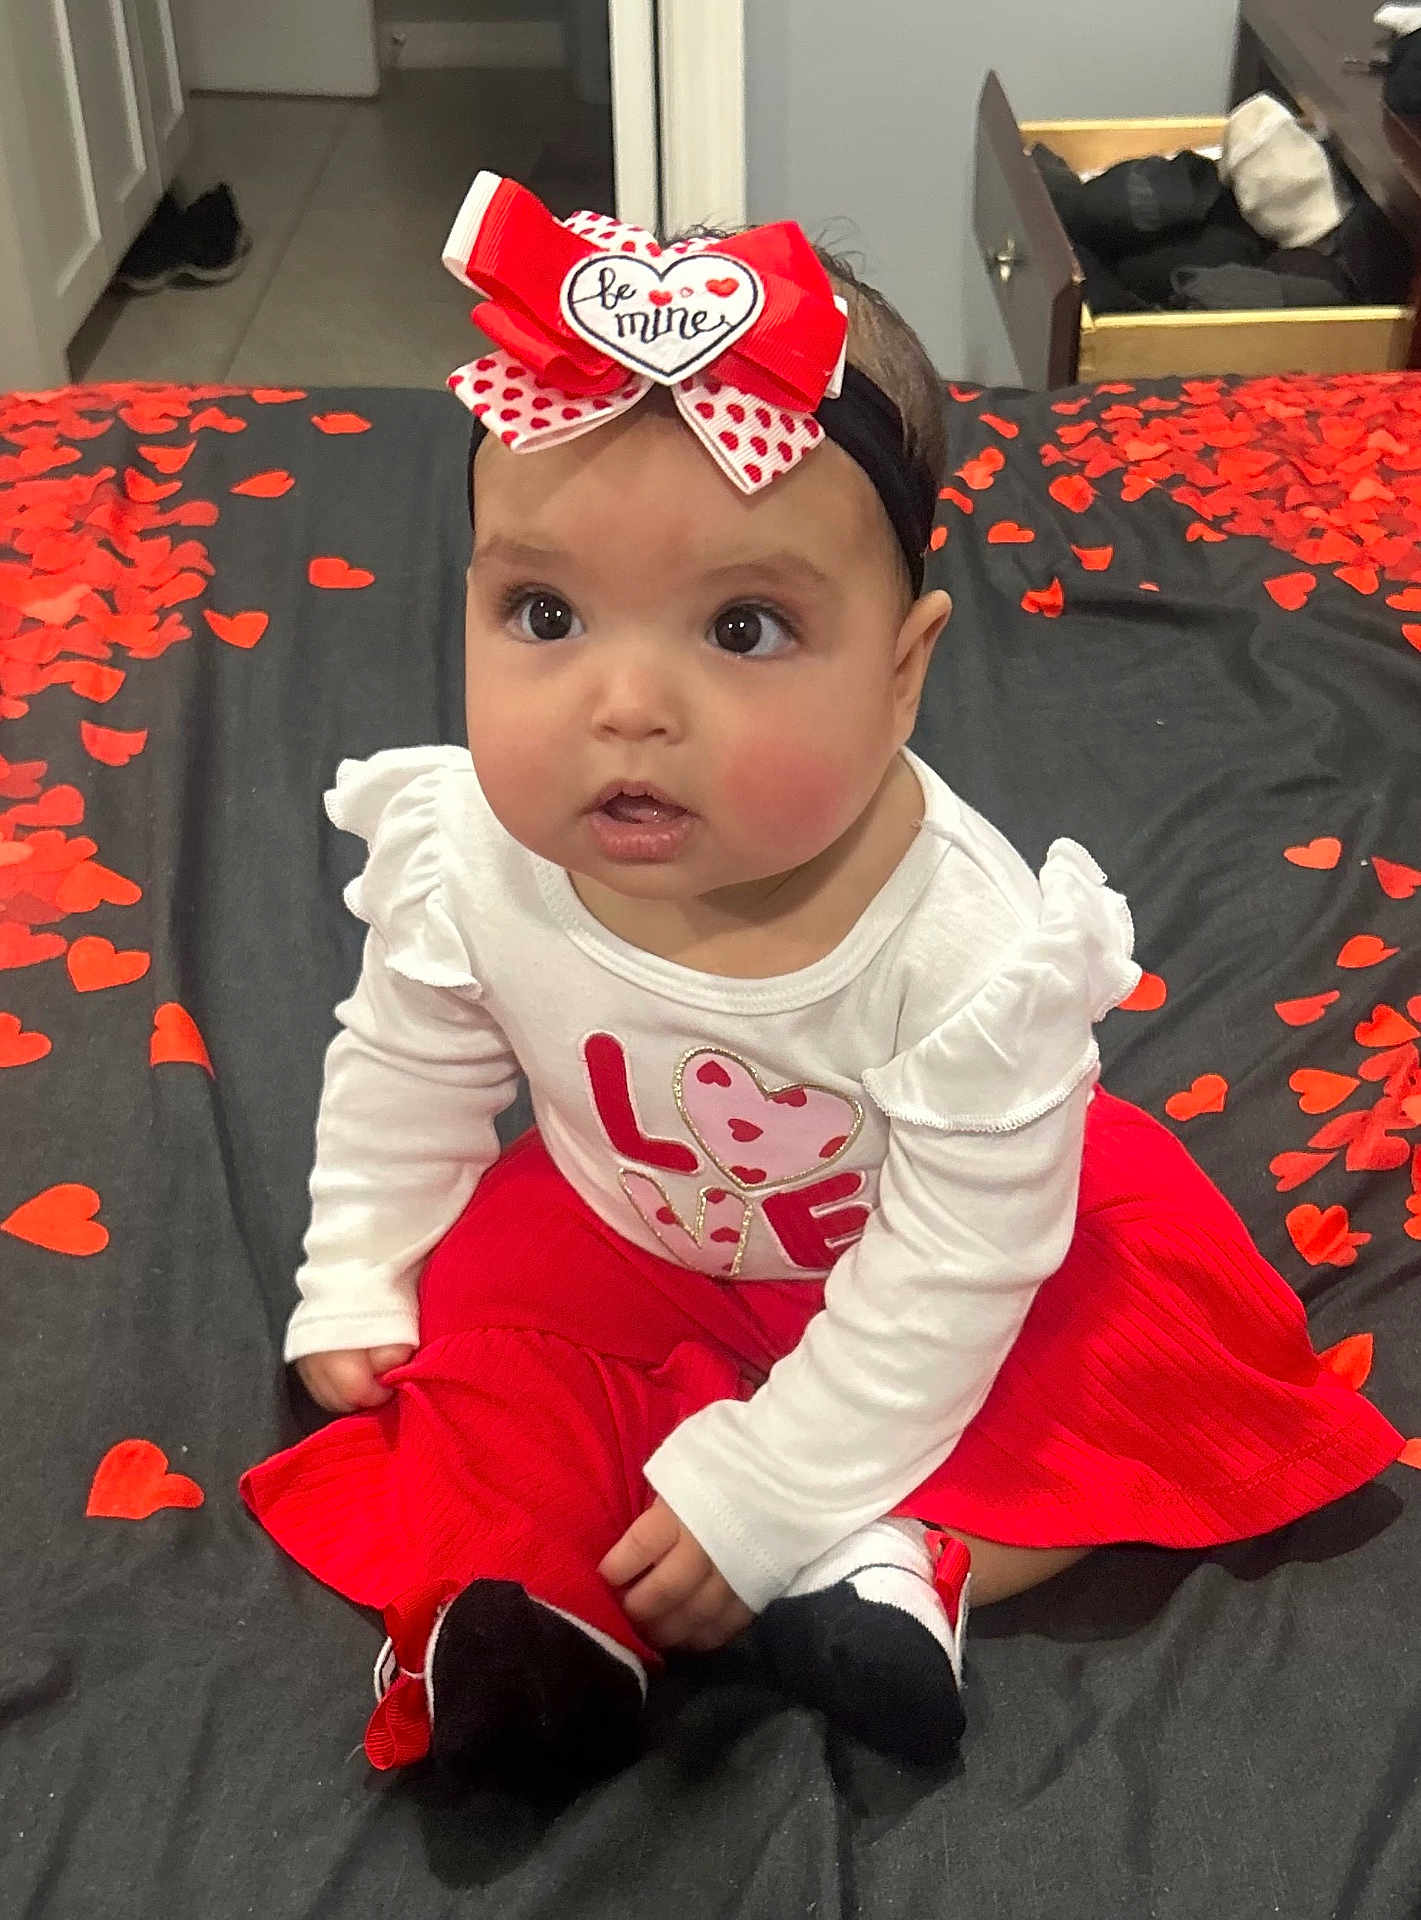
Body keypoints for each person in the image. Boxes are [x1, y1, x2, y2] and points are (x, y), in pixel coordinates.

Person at [240, 173, 1405, 1787]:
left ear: (904, 668)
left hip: (920, 1242)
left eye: (744, 627)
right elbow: (409, 1059)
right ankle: (534, 1619)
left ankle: (886, 1551)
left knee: (1111, 1358)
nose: (624, 703)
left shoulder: (965, 950)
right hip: (623, 1226)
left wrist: (780, 1478)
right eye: (543, 612)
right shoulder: (475, 853)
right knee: (472, 1361)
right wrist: (361, 1264)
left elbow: (951, 1270)